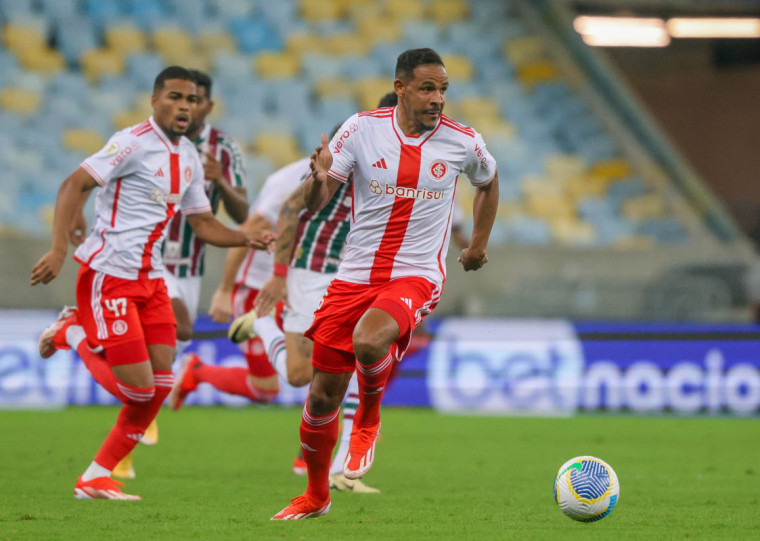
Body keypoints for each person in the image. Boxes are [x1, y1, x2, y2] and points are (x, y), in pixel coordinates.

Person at [270, 48, 499, 520]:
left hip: (417, 274)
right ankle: (315, 496)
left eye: (443, 89)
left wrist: (477, 244)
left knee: (370, 340)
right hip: (353, 277)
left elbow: (489, 182)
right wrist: (317, 177)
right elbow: (318, 200)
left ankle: (368, 420)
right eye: (427, 88)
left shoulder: (462, 141)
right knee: (319, 396)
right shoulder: (360, 129)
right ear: (401, 88)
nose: (437, 99)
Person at [30, 66, 274, 500]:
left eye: (192, 100)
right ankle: (72, 331)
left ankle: (93, 478)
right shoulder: (131, 143)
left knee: (159, 387)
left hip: (151, 279)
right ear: (155, 100)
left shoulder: (190, 160)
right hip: (110, 277)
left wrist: (245, 237)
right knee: (136, 389)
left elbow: (201, 222)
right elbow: (74, 183)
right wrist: (58, 249)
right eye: (175, 97)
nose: (184, 106)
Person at [112, 69, 250, 479]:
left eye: (198, 100)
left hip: (189, 265)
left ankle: (123, 449)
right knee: (176, 329)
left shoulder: (222, 148)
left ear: (207, 104)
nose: (191, 106)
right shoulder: (144, 141)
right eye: (184, 97)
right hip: (148, 257)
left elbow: (241, 211)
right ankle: (94, 338)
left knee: (176, 339)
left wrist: (219, 180)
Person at [167, 157, 308, 411]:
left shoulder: (356, 181)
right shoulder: (289, 182)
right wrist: (225, 290)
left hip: (300, 288)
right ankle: (196, 371)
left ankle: (343, 429)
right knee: (264, 389)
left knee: (320, 363)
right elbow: (249, 229)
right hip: (258, 289)